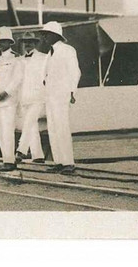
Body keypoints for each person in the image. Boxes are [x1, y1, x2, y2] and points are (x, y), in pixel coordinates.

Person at [42, 21, 81, 173]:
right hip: (50, 96)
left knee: (62, 128)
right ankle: (59, 161)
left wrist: (72, 92)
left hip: (61, 95)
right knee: (53, 128)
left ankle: (68, 162)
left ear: (55, 35)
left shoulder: (67, 50)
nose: (44, 38)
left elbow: (75, 72)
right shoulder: (49, 54)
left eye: (46, 34)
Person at [0, 26, 23, 172]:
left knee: (8, 131)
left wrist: (6, 92)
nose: (0, 44)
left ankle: (10, 161)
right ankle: (5, 160)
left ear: (10, 42)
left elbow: (18, 79)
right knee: (0, 131)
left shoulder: (16, 58)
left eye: (3, 41)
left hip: (8, 101)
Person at [16, 31, 49, 164]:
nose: (27, 44)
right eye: (25, 42)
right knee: (31, 126)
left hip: (38, 97)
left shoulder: (44, 58)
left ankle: (20, 151)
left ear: (35, 43)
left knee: (29, 122)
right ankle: (38, 156)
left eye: (30, 42)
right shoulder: (19, 60)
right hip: (24, 97)